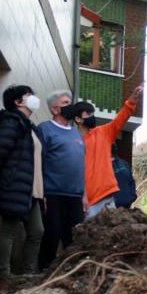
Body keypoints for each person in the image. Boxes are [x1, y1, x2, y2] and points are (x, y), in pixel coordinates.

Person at [0, 85, 44, 287]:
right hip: (13, 185)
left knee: (37, 230)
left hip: (30, 189)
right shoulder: (11, 122)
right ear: (18, 102)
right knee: (9, 228)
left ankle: (28, 274)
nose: (33, 99)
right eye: (29, 96)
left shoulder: (29, 126)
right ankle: (4, 276)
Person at [66, 84, 142, 219]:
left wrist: (132, 100)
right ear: (78, 119)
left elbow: (120, 119)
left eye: (92, 113)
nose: (91, 116)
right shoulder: (72, 141)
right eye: (87, 114)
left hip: (108, 196)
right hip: (88, 201)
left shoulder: (103, 132)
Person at [36, 89, 85, 270]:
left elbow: (81, 166)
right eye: (65, 103)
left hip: (75, 196)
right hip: (53, 194)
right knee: (51, 235)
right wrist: (43, 195)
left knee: (74, 238)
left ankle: (71, 273)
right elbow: (39, 162)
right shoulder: (45, 129)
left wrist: (84, 195)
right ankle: (44, 273)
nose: (70, 106)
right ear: (54, 109)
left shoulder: (76, 133)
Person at [112, 144, 137, 209]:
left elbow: (131, 181)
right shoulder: (101, 166)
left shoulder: (124, 163)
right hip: (112, 207)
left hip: (126, 205)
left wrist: (132, 196)